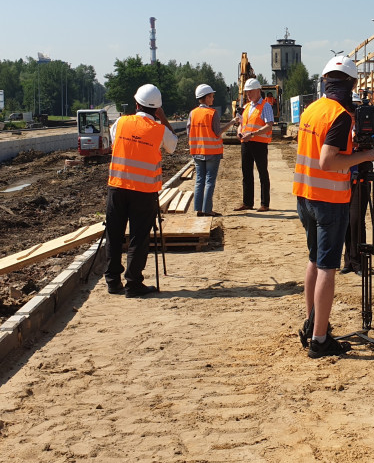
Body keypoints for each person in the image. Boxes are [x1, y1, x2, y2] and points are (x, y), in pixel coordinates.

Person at [293, 55, 374, 358]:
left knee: (313, 260)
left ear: (325, 81)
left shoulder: (312, 109)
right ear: (351, 84)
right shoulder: (340, 115)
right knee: (327, 267)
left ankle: (312, 323)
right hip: (328, 200)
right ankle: (320, 339)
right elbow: (328, 160)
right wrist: (369, 154)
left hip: (304, 195)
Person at [105, 84, 178, 298]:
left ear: (136, 104)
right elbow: (172, 146)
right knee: (138, 237)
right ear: (157, 109)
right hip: (144, 192)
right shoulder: (159, 129)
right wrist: (162, 119)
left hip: (117, 187)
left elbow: (113, 139)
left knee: (114, 234)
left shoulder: (121, 122)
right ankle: (133, 283)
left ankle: (112, 281)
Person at [187, 83, 237, 217]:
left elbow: (188, 132)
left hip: (197, 152)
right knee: (209, 181)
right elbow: (217, 132)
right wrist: (232, 122)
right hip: (212, 153)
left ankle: (199, 209)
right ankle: (207, 209)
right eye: (211, 96)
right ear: (206, 97)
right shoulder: (212, 113)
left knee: (199, 180)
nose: (213, 99)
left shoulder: (192, 113)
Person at [341, 92, 370, 276]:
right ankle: (348, 260)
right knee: (345, 220)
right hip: (344, 176)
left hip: (362, 174)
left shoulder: (366, 126)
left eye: (355, 107)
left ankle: (358, 260)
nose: (352, 112)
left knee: (356, 219)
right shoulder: (342, 125)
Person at [233, 78, 273, 212]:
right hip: (246, 143)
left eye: (250, 92)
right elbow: (241, 124)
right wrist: (240, 132)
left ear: (258, 91)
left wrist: (253, 134)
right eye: (247, 92)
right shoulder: (246, 107)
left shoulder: (265, 106)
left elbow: (269, 126)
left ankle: (264, 203)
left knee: (262, 173)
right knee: (247, 173)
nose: (248, 95)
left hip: (259, 143)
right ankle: (247, 202)